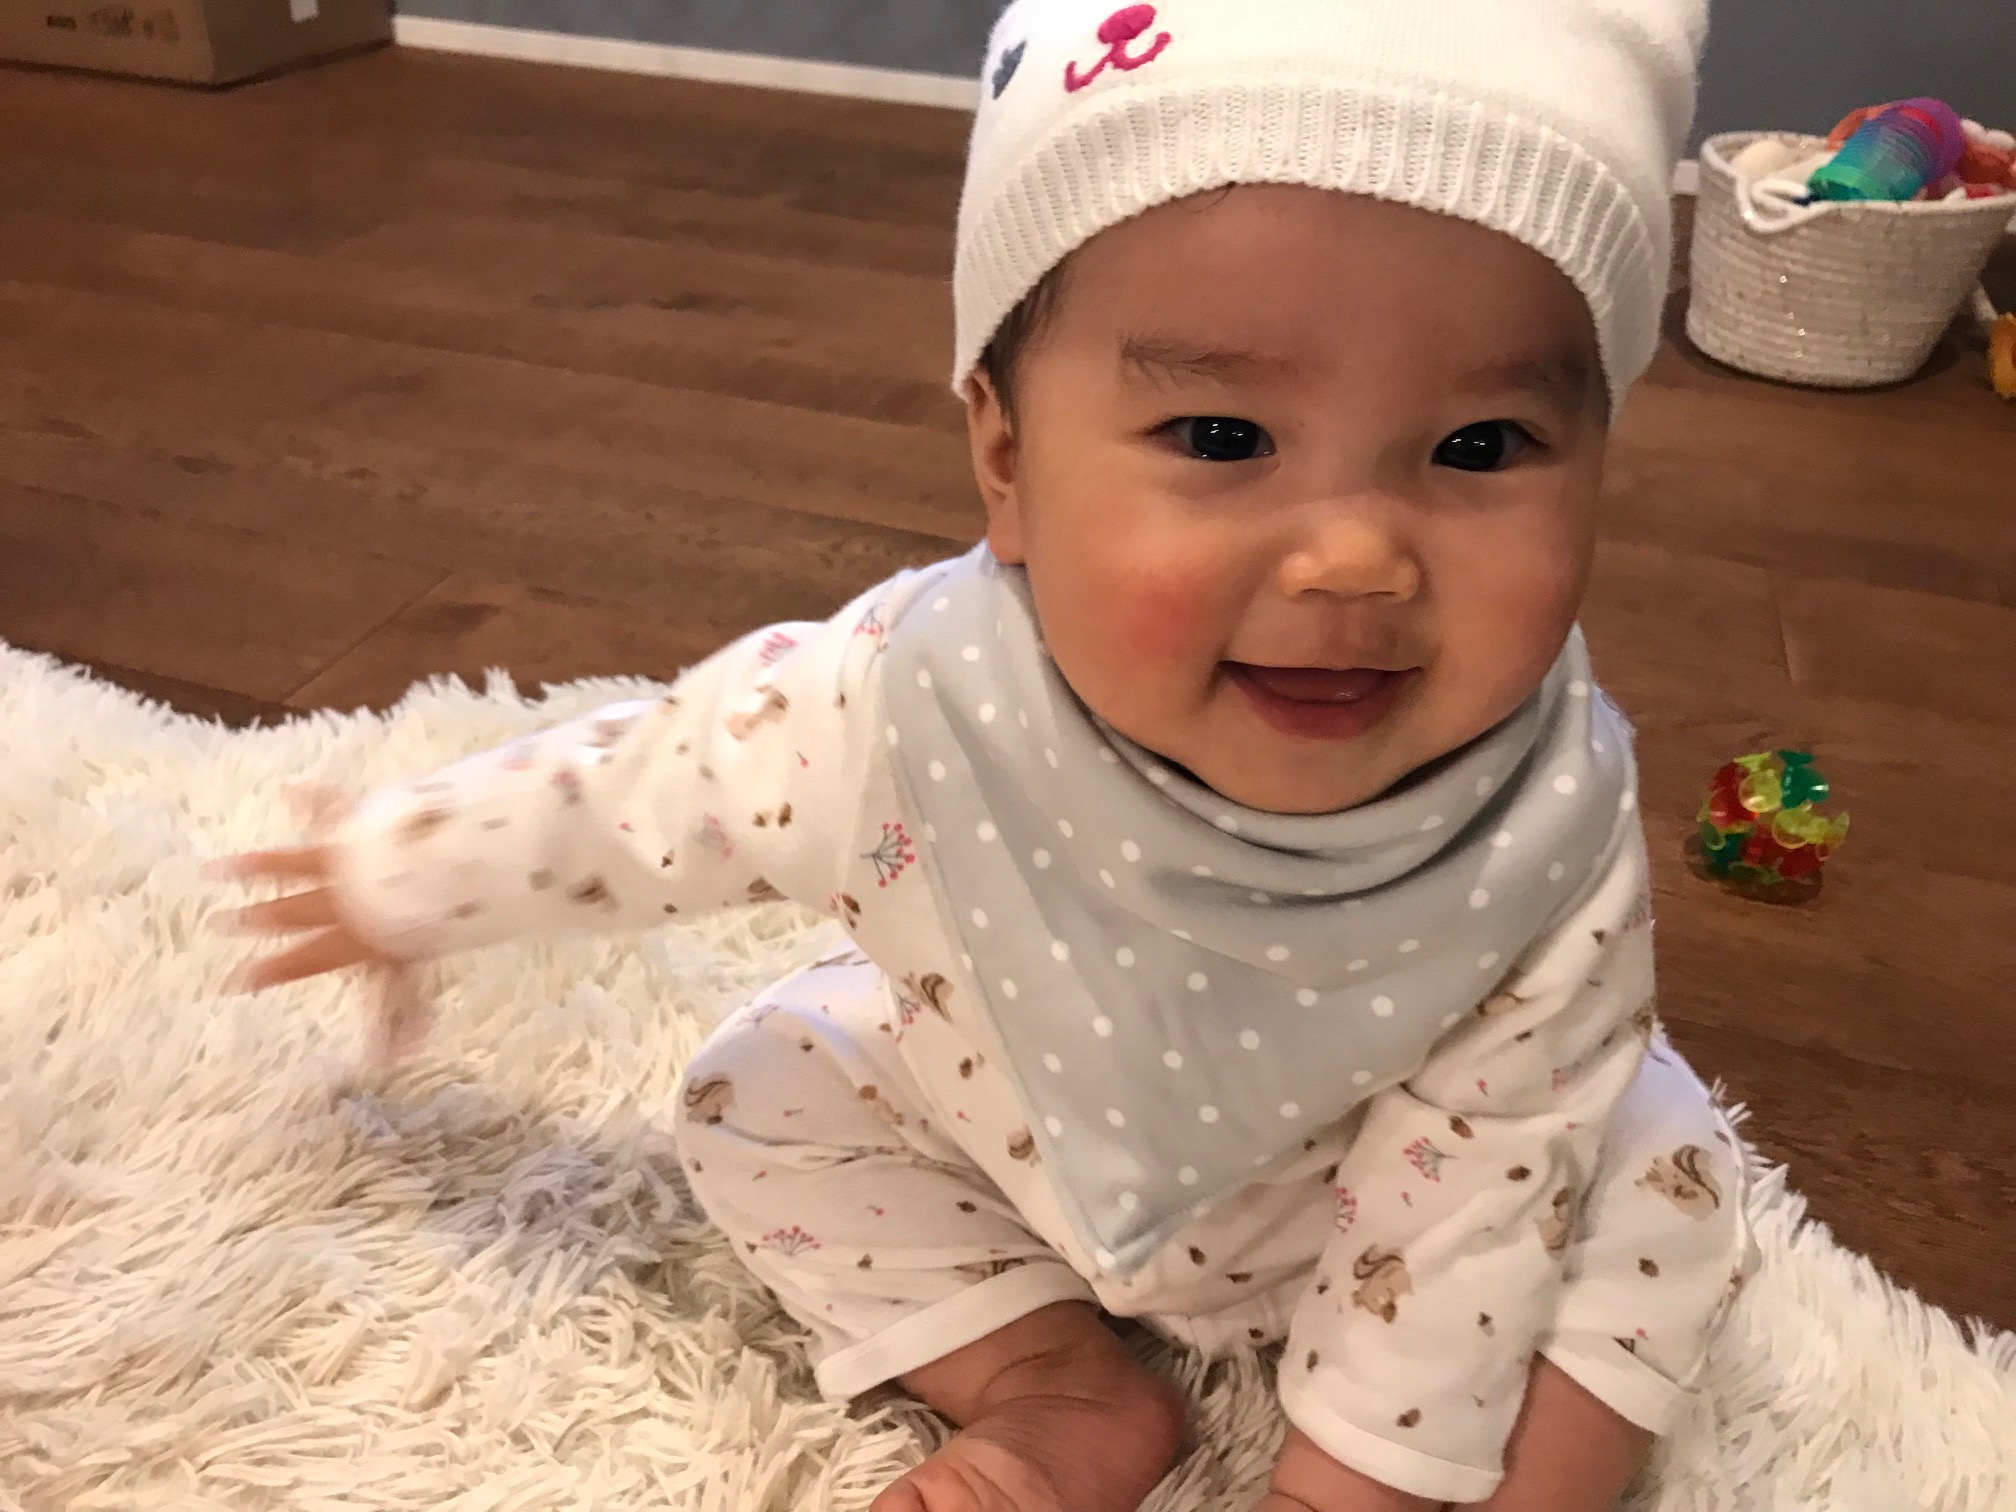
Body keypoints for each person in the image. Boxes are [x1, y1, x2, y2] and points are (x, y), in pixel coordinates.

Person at [213, 1, 1755, 1507]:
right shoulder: (904, 698)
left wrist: (1350, 1485)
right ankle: (1055, 1384)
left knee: (1655, 1195)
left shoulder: (1545, 824)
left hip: (1390, 1209)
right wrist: (397, 873)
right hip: (1020, 1136)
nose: (1354, 558)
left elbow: (1483, 1177)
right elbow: (648, 788)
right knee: (764, 1088)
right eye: (1224, 439)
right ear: (1007, 462)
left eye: (1481, 448)